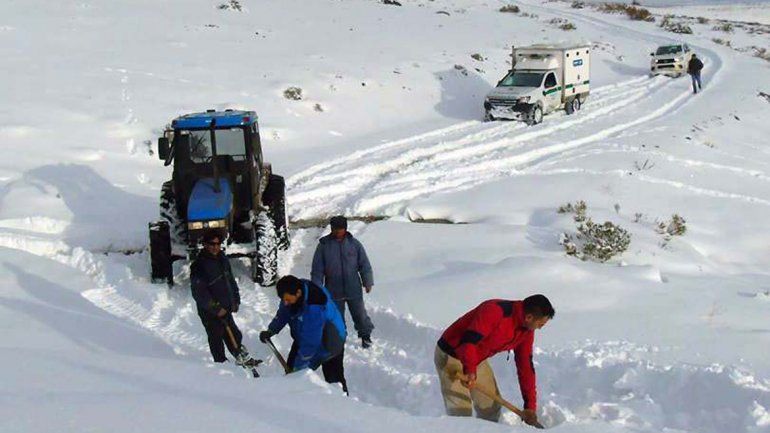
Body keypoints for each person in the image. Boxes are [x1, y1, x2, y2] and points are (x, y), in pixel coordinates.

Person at [434, 294, 555, 426]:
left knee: (490, 407)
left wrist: (530, 406)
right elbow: (468, 342)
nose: (540, 328)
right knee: (461, 413)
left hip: (476, 359)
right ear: (529, 317)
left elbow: (526, 367)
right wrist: (470, 370)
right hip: (450, 355)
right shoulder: (495, 311)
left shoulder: (526, 331)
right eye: (540, 324)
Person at [259, 275, 349, 393]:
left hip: (330, 342)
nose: (285, 303)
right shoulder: (291, 292)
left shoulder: (314, 307)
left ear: (298, 293)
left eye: (287, 300)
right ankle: (293, 400)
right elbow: (283, 313)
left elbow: (310, 344)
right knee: (291, 373)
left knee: (334, 381)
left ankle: (342, 404)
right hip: (304, 335)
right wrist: (272, 330)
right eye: (283, 299)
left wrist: (299, 367)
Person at [191, 231, 256, 365]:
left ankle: (241, 357)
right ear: (205, 245)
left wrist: (235, 300)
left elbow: (230, 281)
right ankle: (221, 364)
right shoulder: (199, 265)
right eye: (212, 244)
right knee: (216, 337)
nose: (215, 247)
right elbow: (199, 292)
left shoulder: (222, 259)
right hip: (210, 310)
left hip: (225, 307)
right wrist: (215, 308)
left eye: (218, 244)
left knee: (234, 334)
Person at [311, 215, 375, 348]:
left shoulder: (354, 244)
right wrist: (317, 288)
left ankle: (365, 336)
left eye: (340, 230)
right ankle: (339, 338)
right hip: (333, 290)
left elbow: (364, 264)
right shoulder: (324, 246)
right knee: (336, 318)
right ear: (331, 229)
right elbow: (317, 270)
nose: (338, 232)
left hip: (353, 288)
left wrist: (367, 281)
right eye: (335, 229)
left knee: (360, 315)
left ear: (345, 229)